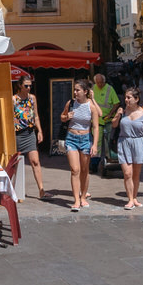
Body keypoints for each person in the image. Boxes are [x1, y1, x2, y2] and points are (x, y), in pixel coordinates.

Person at [112, 87, 143, 210]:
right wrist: (118, 114)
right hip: (124, 142)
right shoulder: (122, 111)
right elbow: (114, 124)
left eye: (129, 97)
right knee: (127, 173)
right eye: (125, 97)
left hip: (138, 143)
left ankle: (134, 198)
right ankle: (130, 199)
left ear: (136, 99)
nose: (126, 100)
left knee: (136, 174)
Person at [60, 78, 101, 211]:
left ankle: (83, 197)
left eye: (78, 90)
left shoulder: (91, 107)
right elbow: (62, 117)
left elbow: (95, 127)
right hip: (71, 138)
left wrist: (94, 145)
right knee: (75, 170)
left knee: (84, 170)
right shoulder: (70, 103)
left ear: (85, 92)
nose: (75, 92)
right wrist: (67, 117)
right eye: (75, 90)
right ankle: (76, 200)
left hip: (85, 139)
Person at [12, 77, 48, 199]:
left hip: (29, 133)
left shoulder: (32, 98)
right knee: (14, 163)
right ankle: (12, 190)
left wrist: (40, 131)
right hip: (17, 134)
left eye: (30, 86)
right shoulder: (14, 99)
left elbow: (36, 116)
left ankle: (41, 190)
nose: (28, 88)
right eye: (26, 86)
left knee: (35, 161)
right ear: (20, 86)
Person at [89, 73, 119, 171]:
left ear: (104, 81)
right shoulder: (92, 89)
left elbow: (116, 103)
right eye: (98, 83)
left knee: (107, 143)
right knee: (96, 143)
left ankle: (108, 162)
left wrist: (110, 114)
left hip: (108, 121)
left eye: (101, 82)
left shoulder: (109, 89)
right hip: (96, 121)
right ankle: (94, 164)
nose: (100, 84)